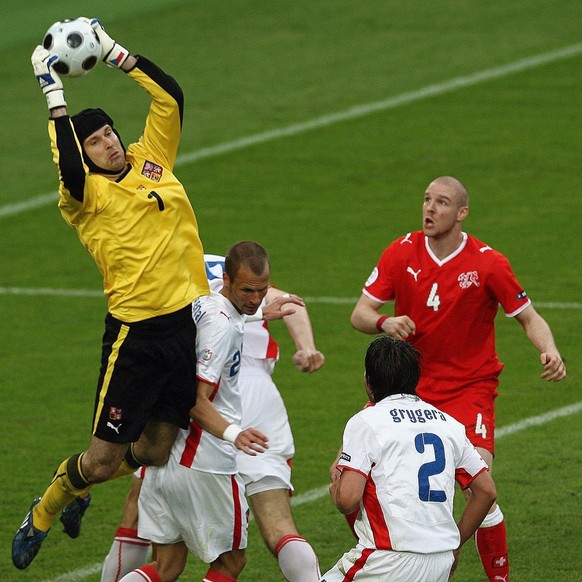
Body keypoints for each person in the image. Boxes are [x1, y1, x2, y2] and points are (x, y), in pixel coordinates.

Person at [13, 19, 210, 570]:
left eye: (108, 134)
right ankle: (50, 506)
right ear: (84, 154)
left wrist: (117, 54)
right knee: (101, 461)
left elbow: (170, 96)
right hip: (137, 336)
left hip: (186, 327)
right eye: (94, 141)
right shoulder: (84, 197)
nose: (107, 143)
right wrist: (53, 92)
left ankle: (77, 488)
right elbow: (69, 167)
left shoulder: (152, 161)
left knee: (153, 450)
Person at [349, 175, 566, 581]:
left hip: (470, 390)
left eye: (442, 203)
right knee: (354, 478)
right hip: (407, 391)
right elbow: (359, 313)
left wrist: (548, 349)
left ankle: (487, 574)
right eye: (427, 200)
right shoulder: (402, 251)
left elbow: (528, 317)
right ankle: (385, 555)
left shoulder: (488, 262)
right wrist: (385, 320)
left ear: (462, 213)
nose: (430, 209)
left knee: (476, 487)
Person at [101, 253, 324, 582]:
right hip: (214, 443)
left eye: (260, 293)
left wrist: (259, 310)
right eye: (249, 291)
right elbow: (197, 398)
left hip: (171, 440)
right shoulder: (222, 315)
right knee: (244, 552)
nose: (256, 298)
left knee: (166, 563)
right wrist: (235, 433)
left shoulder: (185, 287)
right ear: (228, 280)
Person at [322, 335, 497, 582]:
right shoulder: (449, 423)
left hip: (386, 560)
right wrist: (456, 542)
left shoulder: (367, 421)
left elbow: (347, 500)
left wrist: (336, 491)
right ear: (415, 379)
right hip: (439, 561)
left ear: (368, 381)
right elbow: (486, 492)